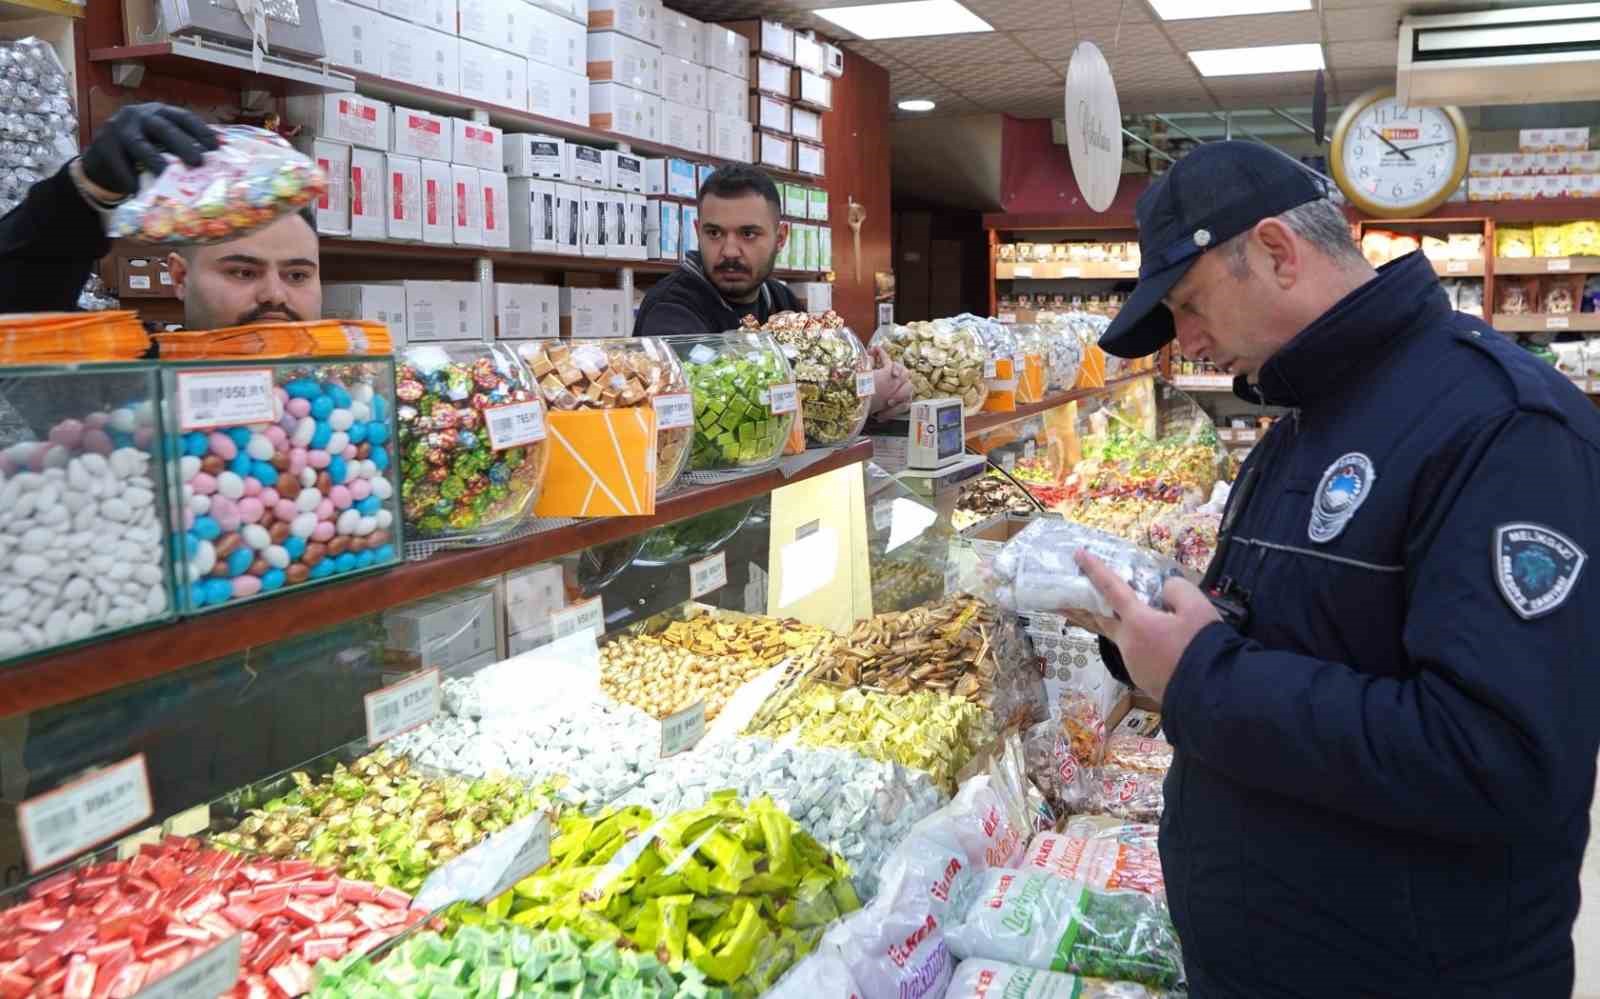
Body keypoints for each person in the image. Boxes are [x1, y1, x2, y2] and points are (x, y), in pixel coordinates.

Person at [1070, 140, 1600, 997]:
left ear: (1278, 251)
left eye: (1189, 304)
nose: (1187, 342)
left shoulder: (1506, 428)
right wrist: (1146, 637)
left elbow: (1496, 757)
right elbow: (1305, 632)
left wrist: (1201, 674)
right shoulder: (1306, 416)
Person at [0, 101, 323, 327]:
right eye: (243, 272)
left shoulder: (348, 383)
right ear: (180, 277)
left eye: (297, 276)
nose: (274, 296)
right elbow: (18, 313)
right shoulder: (126, 383)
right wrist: (82, 190)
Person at [634, 163, 911, 411]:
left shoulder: (780, 299)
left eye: (748, 234)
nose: (729, 251)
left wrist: (880, 382)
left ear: (780, 238)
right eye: (714, 233)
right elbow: (718, 409)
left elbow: (815, 375)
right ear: (698, 232)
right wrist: (860, 397)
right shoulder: (671, 310)